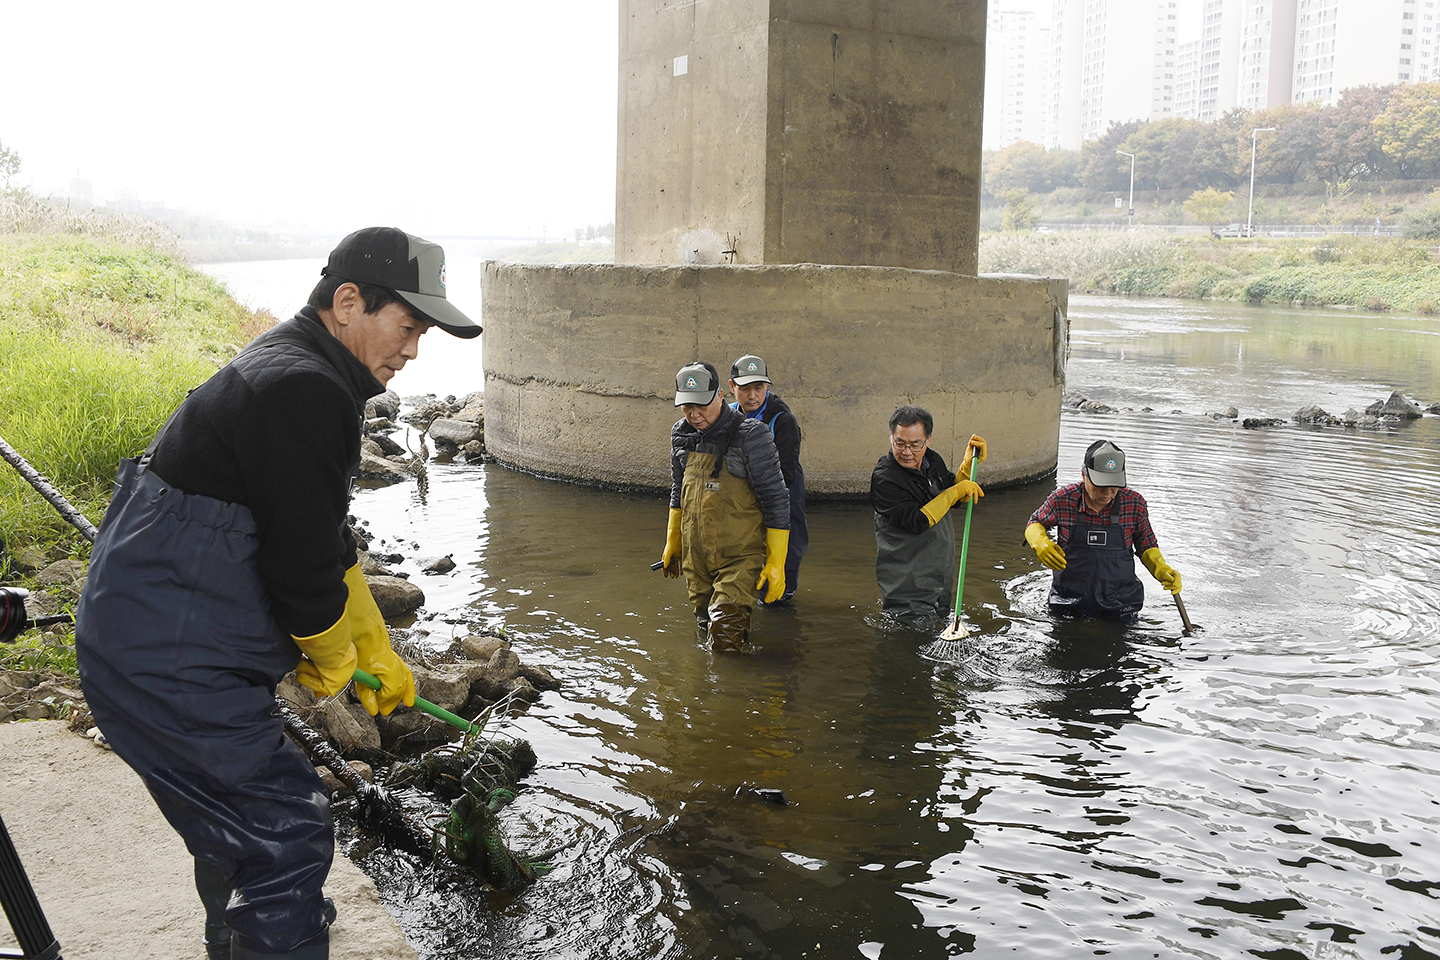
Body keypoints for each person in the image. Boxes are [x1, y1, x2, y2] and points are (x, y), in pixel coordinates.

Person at [75, 227, 482, 960]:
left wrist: (376, 645)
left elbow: (319, 531)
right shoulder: (303, 387)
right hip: (172, 660)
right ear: (349, 301)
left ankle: (249, 940)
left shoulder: (299, 369)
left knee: (241, 831)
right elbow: (298, 569)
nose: (413, 351)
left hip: (162, 638)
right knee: (283, 831)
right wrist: (330, 656)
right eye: (409, 327)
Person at [660, 361, 790, 652]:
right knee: (704, 630)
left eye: (702, 405)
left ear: (720, 395)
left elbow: (777, 498)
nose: (694, 414)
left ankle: (735, 694)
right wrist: (673, 541)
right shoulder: (681, 434)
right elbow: (677, 489)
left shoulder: (751, 436)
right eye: (686, 407)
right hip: (697, 558)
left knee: (725, 640)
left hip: (740, 557)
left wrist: (777, 561)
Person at [1024, 439, 1182, 619]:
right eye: (1100, 484)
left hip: (1121, 605)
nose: (1107, 492)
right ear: (1084, 475)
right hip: (1067, 604)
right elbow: (1035, 522)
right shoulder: (1063, 499)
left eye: (1114, 484)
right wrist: (1040, 542)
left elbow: (1146, 544)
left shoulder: (1134, 503)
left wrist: (1161, 569)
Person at [870, 406, 986, 624]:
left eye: (915, 444)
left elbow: (953, 497)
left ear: (928, 439)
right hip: (907, 584)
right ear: (891, 438)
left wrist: (967, 466)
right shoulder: (885, 478)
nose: (907, 452)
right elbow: (918, 521)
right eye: (900, 443)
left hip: (937, 578)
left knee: (938, 628)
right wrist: (954, 492)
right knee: (911, 639)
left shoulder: (931, 461)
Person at [728, 354, 807, 603]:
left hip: (782, 492)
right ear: (732, 387)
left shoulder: (782, 421)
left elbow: (786, 474)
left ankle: (781, 596)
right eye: (745, 388)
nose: (752, 395)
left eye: (758, 388)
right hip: (742, 494)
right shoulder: (727, 416)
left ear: (767, 387)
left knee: (787, 548)